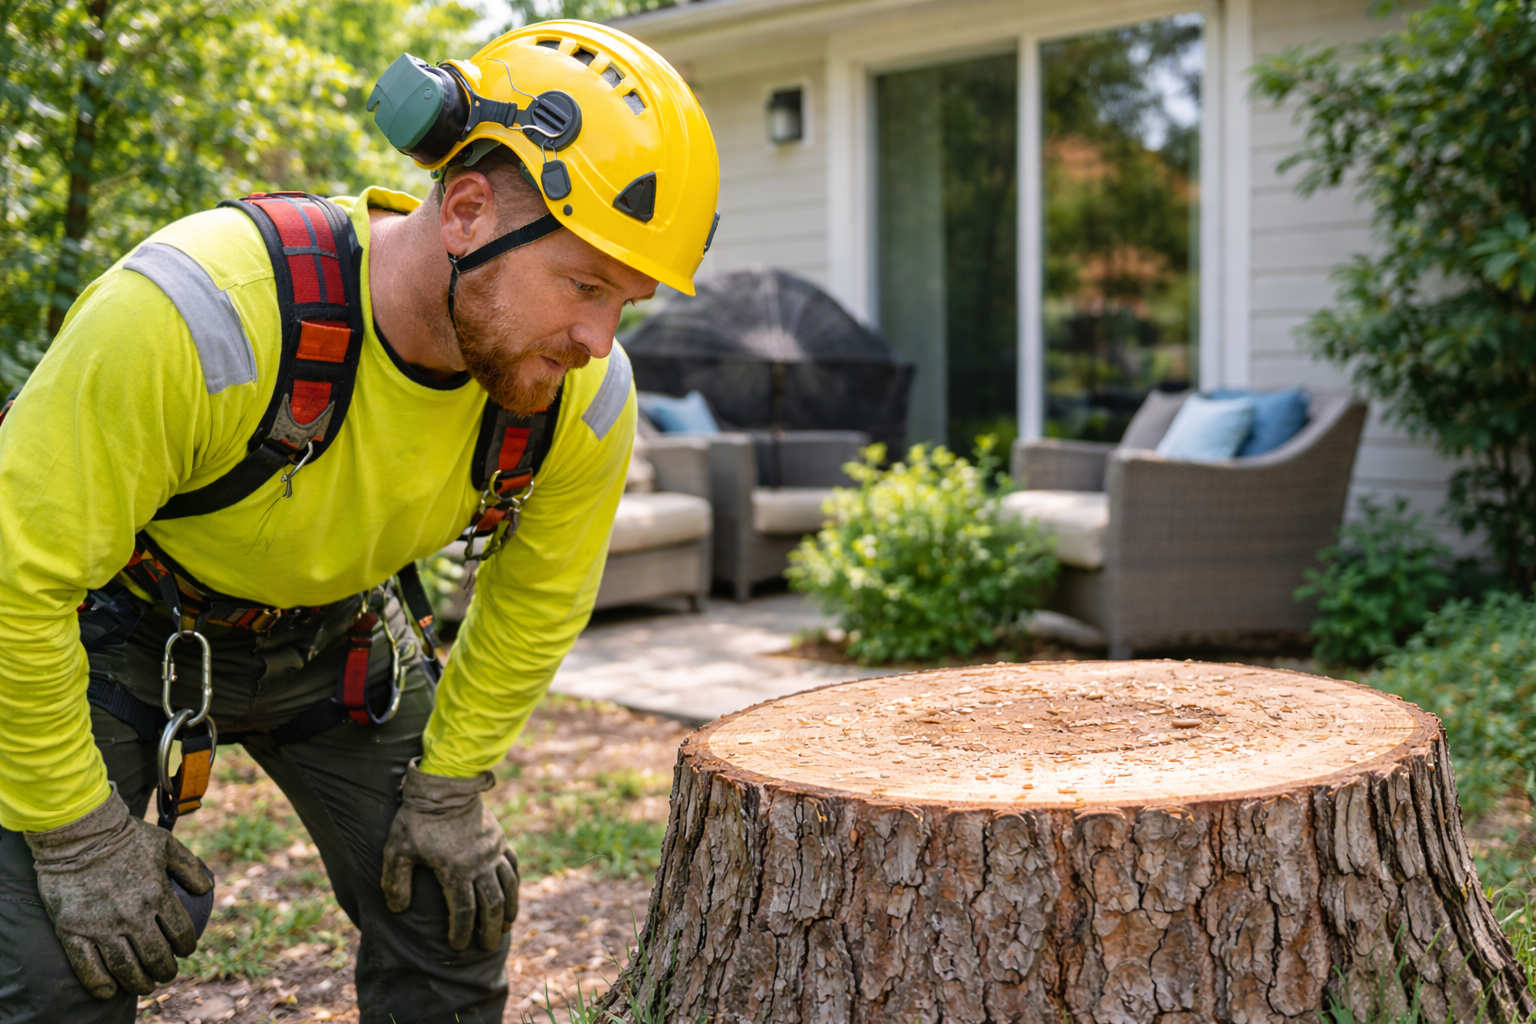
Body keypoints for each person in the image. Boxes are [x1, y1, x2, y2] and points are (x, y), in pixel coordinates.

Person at [0, 21, 717, 1024]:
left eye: (624, 303)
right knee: (56, 975)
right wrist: (77, 836)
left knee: (449, 914)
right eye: (585, 285)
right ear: (466, 211)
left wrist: (451, 786)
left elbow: (537, 602)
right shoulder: (200, 314)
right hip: (119, 627)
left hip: (339, 638)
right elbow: (15, 580)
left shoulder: (581, 398)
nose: (598, 340)